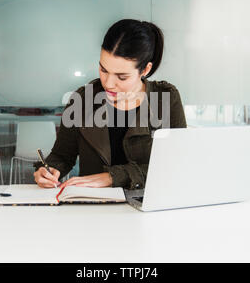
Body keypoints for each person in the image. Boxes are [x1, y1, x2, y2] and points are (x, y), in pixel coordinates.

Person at [33, 19, 186, 190]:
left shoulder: (165, 98)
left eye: (122, 77)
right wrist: (49, 171)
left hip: (151, 207)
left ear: (145, 70)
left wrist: (113, 177)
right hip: (94, 209)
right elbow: (61, 156)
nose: (109, 83)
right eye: (103, 70)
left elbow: (176, 165)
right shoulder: (83, 99)